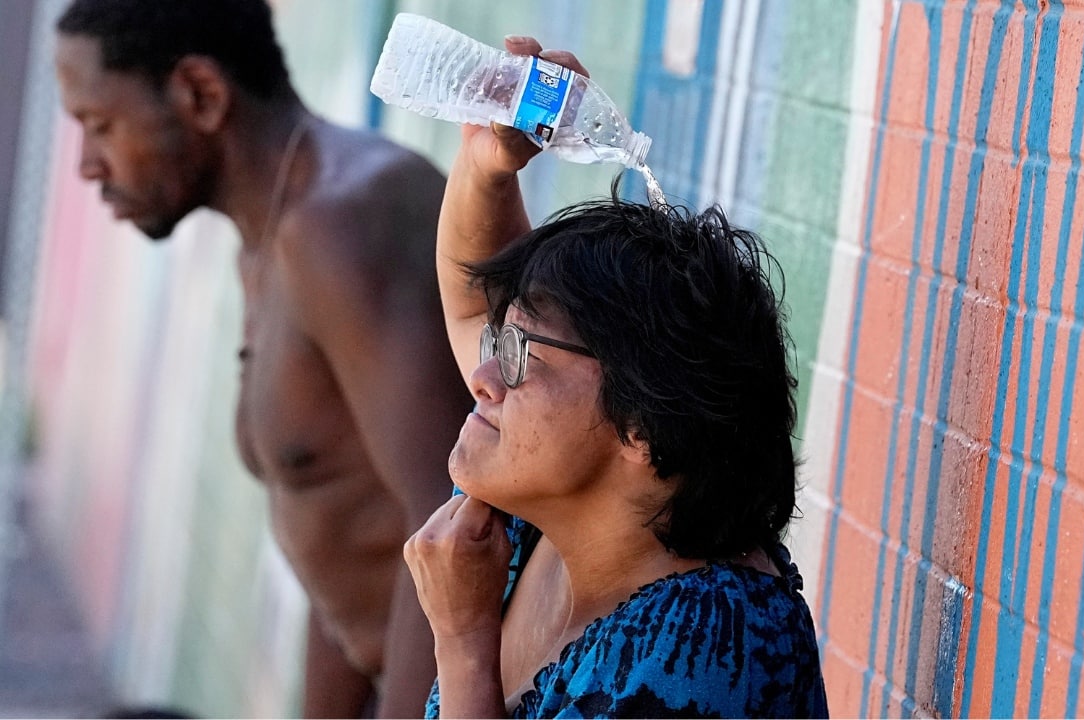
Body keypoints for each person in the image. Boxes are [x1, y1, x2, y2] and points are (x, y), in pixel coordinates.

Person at [52, 1, 474, 716]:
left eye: (100, 125)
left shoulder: (337, 224)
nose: (89, 165)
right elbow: (345, 528)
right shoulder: (273, 234)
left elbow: (452, 517)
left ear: (201, 95)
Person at [402, 37, 829, 719]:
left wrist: (463, 645)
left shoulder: (706, 655)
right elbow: (466, 299)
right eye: (498, 342)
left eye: (517, 353)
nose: (483, 376)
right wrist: (488, 168)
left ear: (641, 428)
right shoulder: (543, 510)